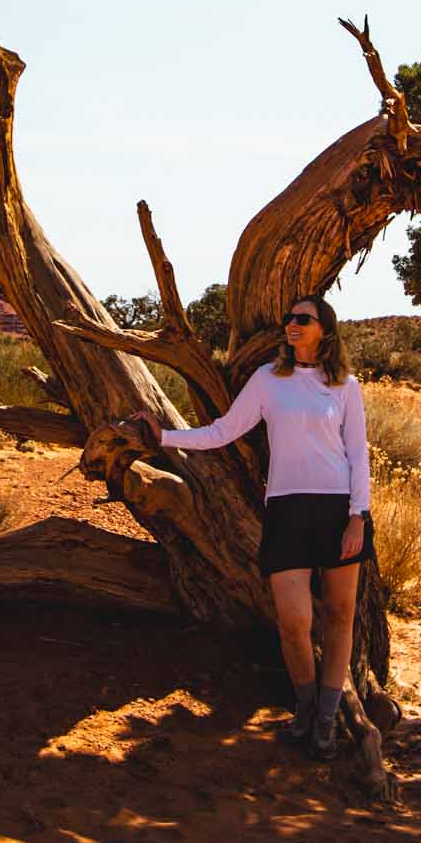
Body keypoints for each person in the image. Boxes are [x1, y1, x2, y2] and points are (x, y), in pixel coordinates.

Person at [122, 294, 373, 760]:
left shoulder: (344, 386)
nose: (292, 325)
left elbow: (358, 454)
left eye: (303, 319)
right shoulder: (267, 380)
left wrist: (359, 514)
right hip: (286, 512)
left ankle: (324, 723)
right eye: (289, 319)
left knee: (339, 618)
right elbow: (221, 431)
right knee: (295, 621)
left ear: (325, 329)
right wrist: (165, 437)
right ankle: (305, 704)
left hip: (339, 511)